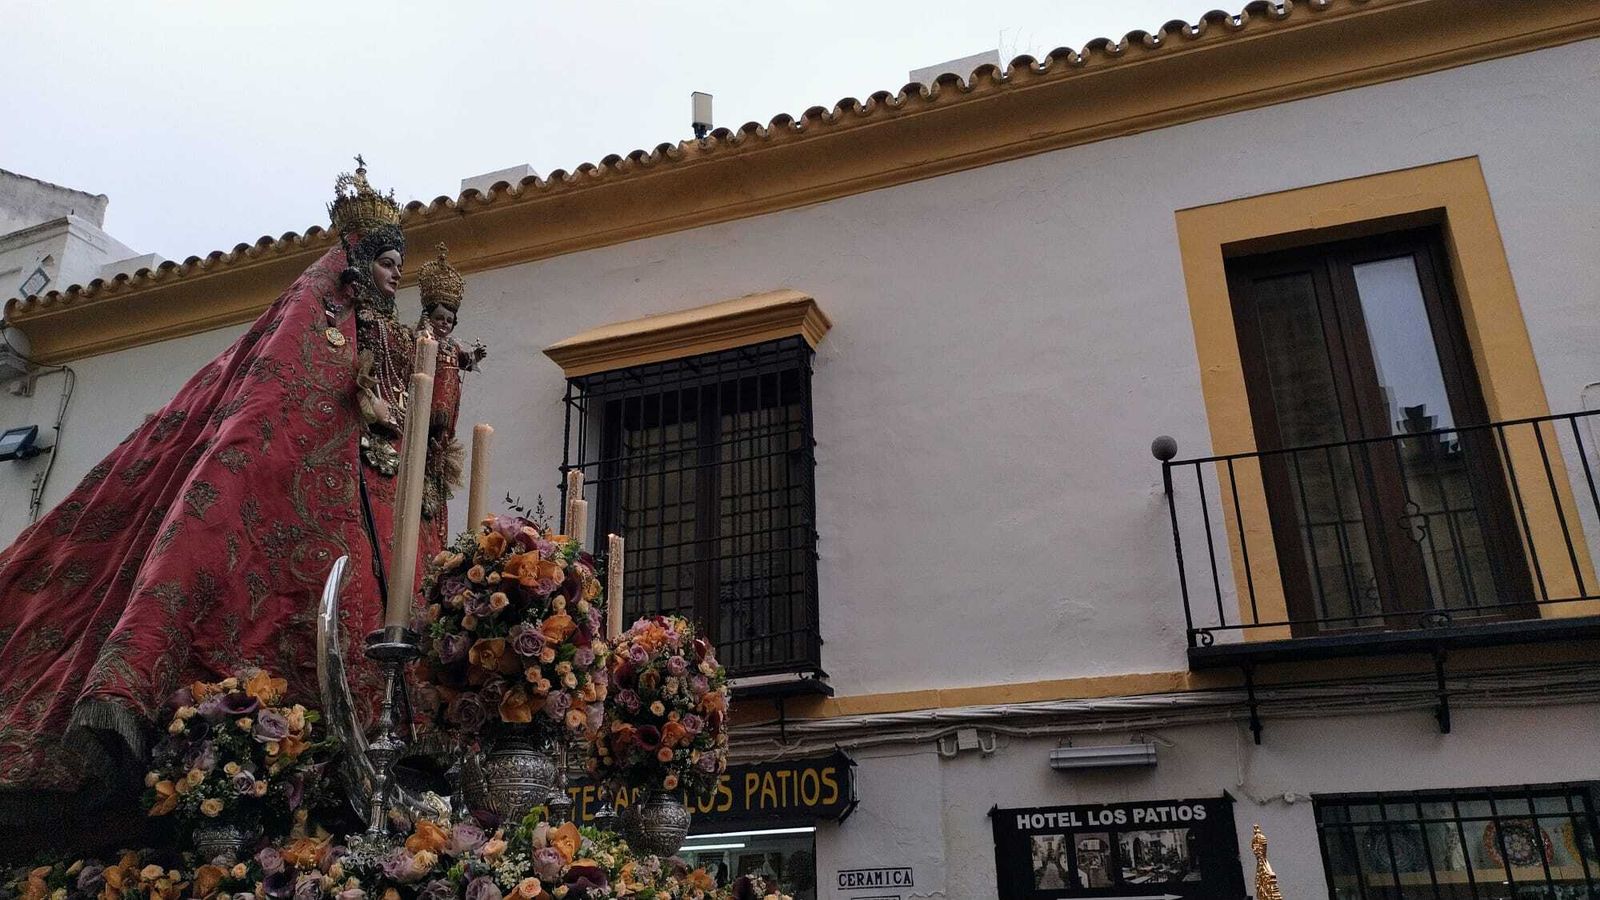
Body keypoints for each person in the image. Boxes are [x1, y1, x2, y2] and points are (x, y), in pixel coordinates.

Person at [0, 163, 426, 837]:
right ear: (358, 263)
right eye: (389, 263)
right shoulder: (312, 322)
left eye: (402, 264)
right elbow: (265, 418)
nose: (398, 275)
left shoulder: (395, 348)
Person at [413, 243, 486, 547]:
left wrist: (476, 356)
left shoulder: (453, 346)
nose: (444, 324)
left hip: (448, 401)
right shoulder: (422, 339)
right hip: (429, 401)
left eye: (449, 320)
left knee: (442, 443)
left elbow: (465, 361)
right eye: (439, 317)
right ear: (428, 316)